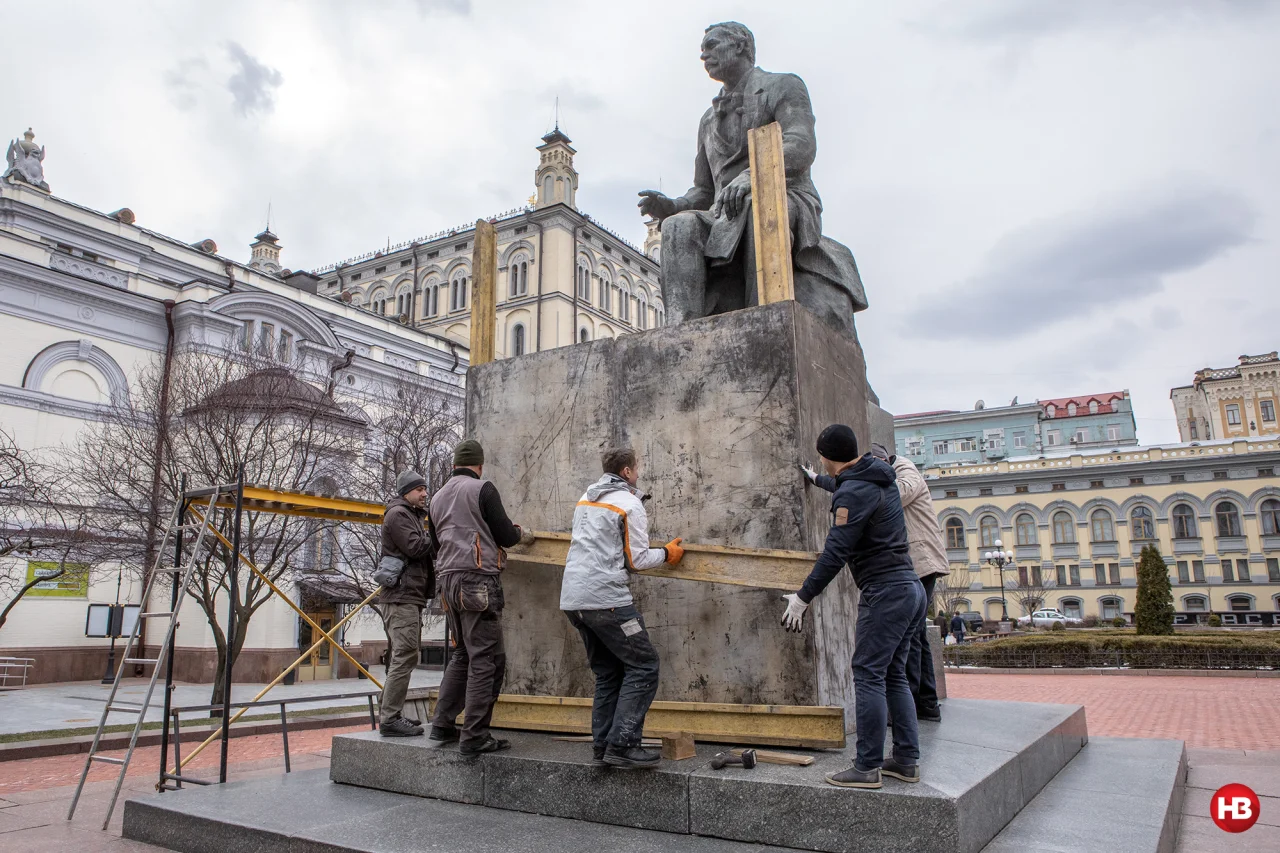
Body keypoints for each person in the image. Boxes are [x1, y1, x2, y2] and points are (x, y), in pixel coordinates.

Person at [787, 424, 926, 789]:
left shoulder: (854, 493)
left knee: (867, 674)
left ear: (827, 456)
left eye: (821, 458)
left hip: (885, 593)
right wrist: (817, 480)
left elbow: (836, 551)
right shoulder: (879, 478)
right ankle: (906, 760)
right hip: (910, 588)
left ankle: (866, 767)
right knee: (894, 674)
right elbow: (847, 487)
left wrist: (803, 596)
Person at [560, 448, 686, 769]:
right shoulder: (629, 504)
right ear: (628, 472)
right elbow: (638, 559)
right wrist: (668, 553)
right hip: (608, 602)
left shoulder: (585, 497)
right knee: (644, 666)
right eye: (638, 468)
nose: (639, 472)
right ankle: (623, 744)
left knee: (608, 672)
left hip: (574, 601)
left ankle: (603, 746)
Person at [429, 440, 526, 754]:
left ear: (454, 464)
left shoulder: (437, 497)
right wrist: (520, 532)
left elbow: (434, 543)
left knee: (463, 655)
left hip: (448, 582)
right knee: (487, 659)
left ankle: (442, 725)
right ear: (479, 465)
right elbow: (506, 536)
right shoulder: (483, 489)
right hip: (477, 581)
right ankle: (475, 736)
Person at [870, 443, 950, 722]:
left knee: (911, 636)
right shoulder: (895, 470)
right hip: (915, 563)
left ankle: (913, 702)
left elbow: (897, 493)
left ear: (885, 461)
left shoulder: (906, 470)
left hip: (921, 562)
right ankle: (927, 702)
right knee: (916, 635)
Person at [376, 470, 436, 737]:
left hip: (408, 596)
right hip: (401, 597)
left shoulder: (409, 515)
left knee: (406, 655)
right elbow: (415, 548)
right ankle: (389, 718)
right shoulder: (399, 514)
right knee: (405, 655)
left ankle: (392, 713)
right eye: (419, 489)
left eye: (425, 488)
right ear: (405, 493)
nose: (424, 493)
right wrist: (435, 534)